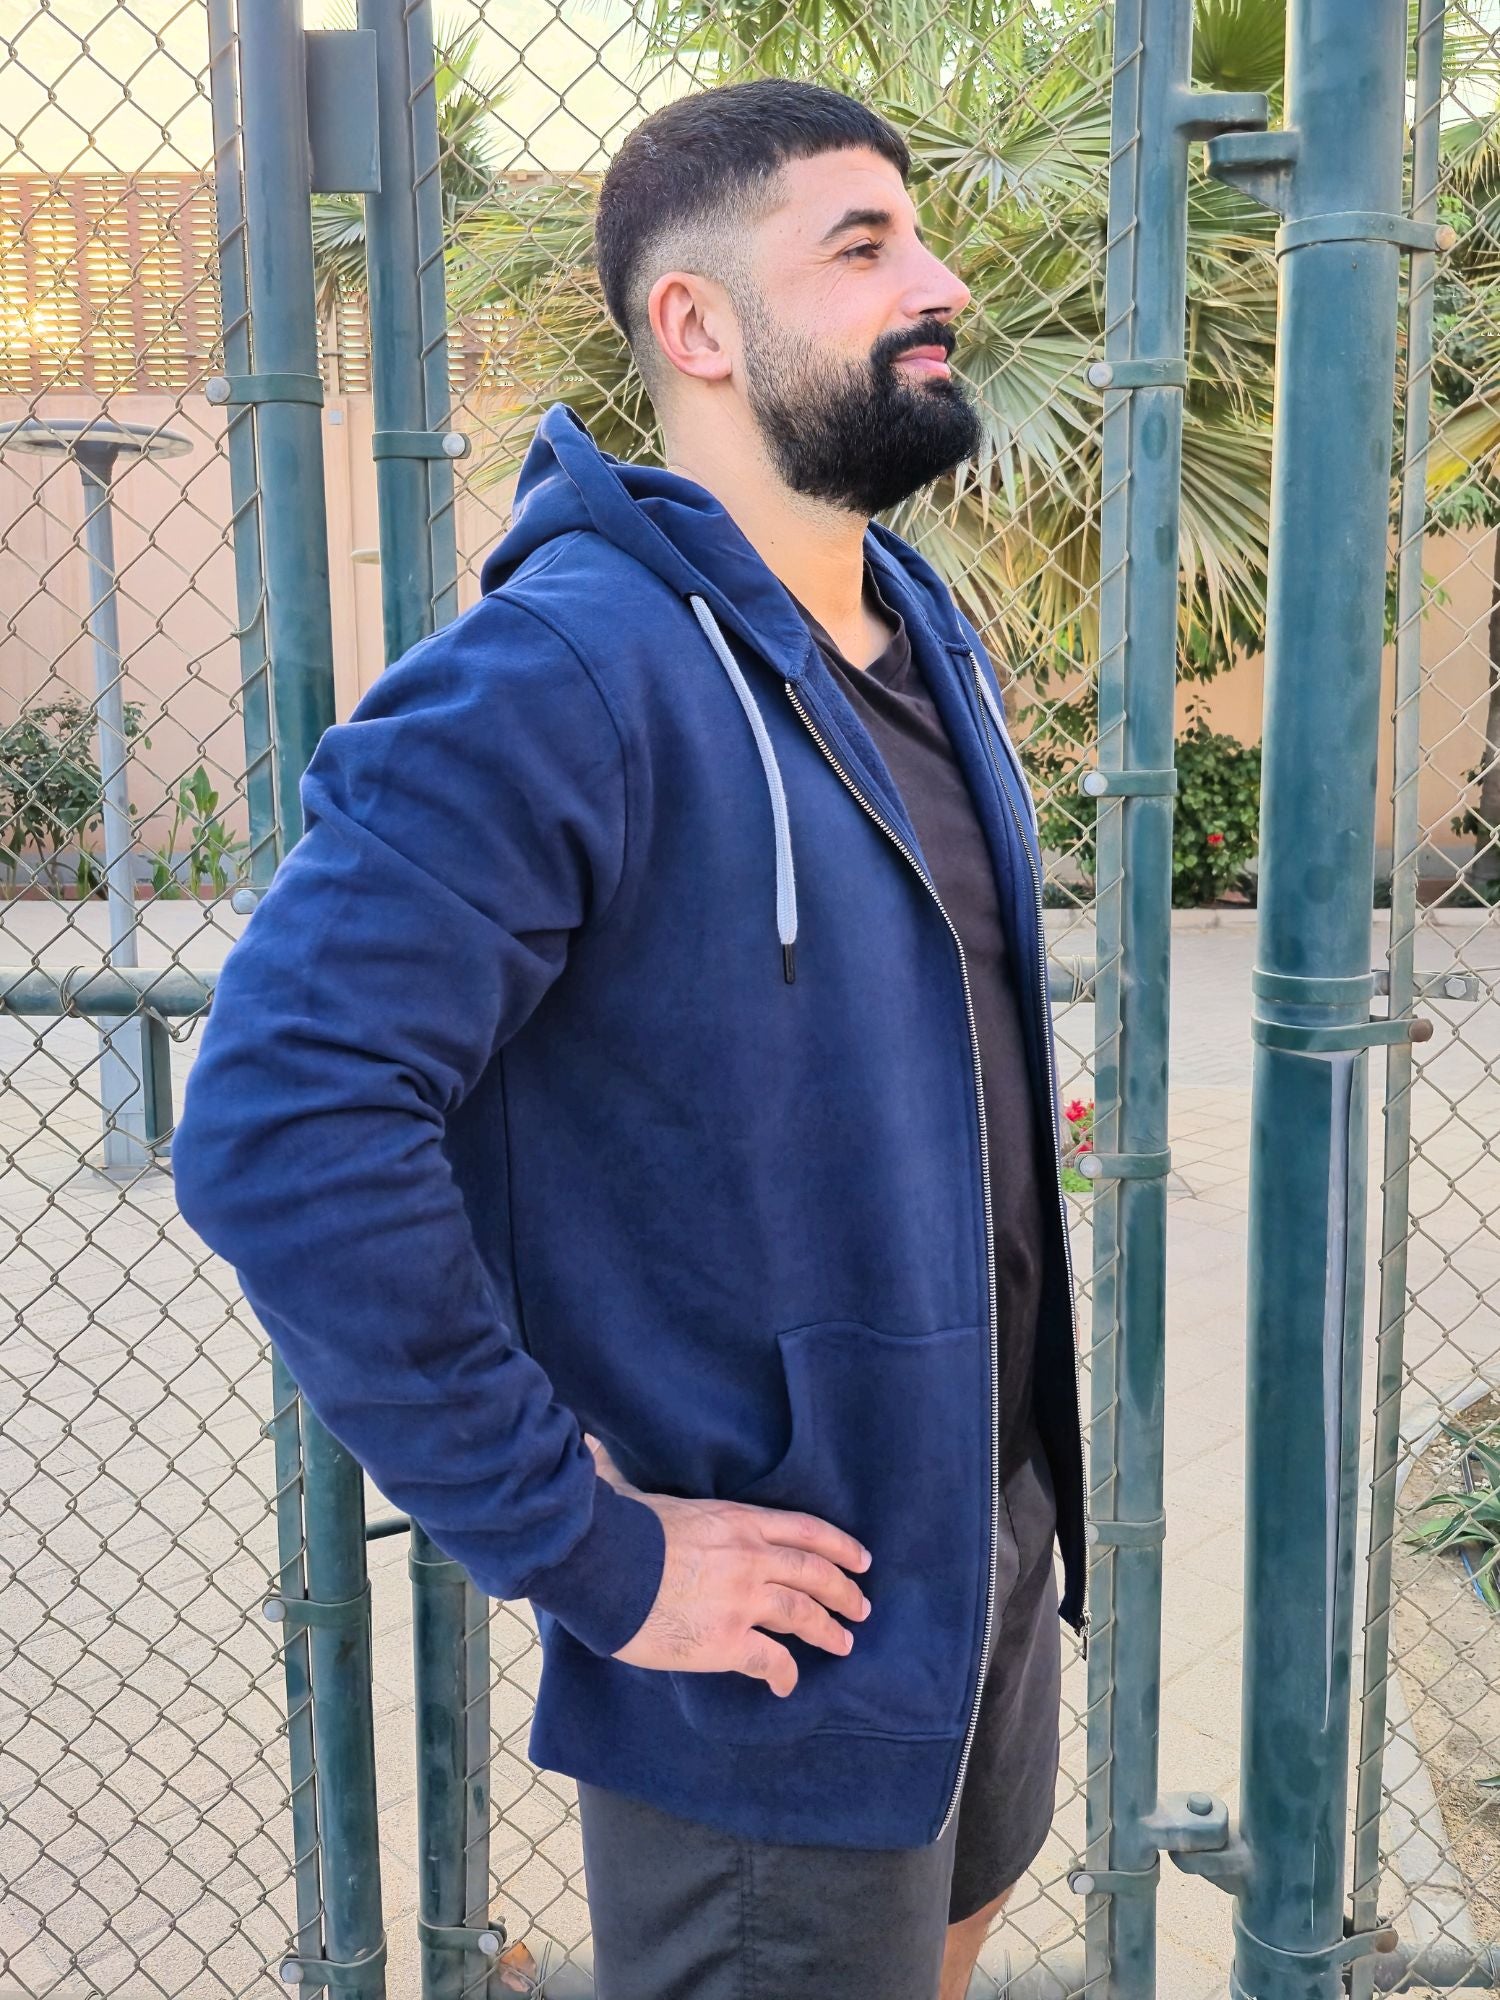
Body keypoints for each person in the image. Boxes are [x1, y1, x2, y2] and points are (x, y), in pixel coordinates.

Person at [171, 74, 1087, 2000]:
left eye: (920, 231)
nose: (937, 283)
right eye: (861, 245)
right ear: (694, 328)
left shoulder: (916, 627)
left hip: (978, 1545)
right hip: (778, 1641)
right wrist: (589, 1545)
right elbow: (280, 1118)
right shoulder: (565, 669)